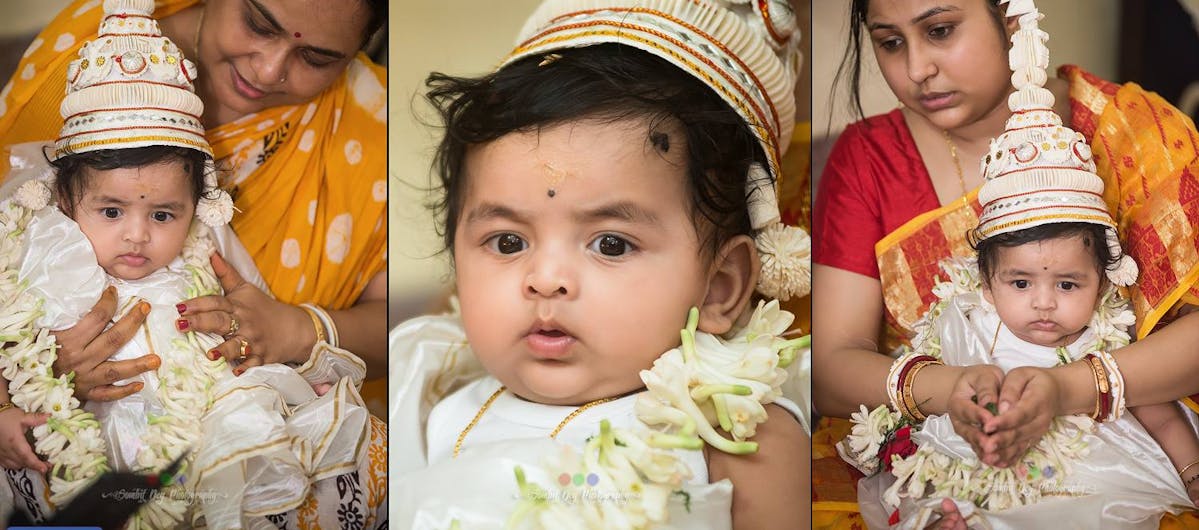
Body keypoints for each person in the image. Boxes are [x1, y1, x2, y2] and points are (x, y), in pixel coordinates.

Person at [390, 1, 810, 528]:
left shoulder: (734, 432)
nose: (545, 280)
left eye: (610, 244)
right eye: (506, 242)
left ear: (720, 286)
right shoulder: (429, 400)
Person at [812, 0, 1199, 528]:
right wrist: (951, 391)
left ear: (1011, 20)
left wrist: (1067, 388)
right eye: (891, 42)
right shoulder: (868, 159)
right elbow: (833, 365)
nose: (917, 69)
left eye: (940, 30)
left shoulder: (1133, 133)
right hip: (946, 451)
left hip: (1121, 452)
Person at [0, 1, 383, 528]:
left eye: (317, 56)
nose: (268, 69)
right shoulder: (78, 65)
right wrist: (28, 371)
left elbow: (399, 322)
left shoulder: (373, 125)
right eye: (258, 23)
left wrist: (301, 330)